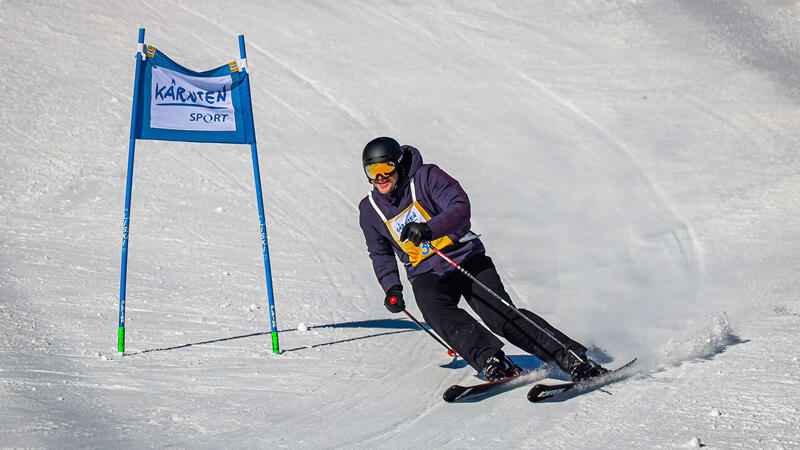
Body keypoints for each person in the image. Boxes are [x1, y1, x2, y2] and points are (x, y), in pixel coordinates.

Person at [358, 137, 607, 382]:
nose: (380, 178)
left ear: (399, 164)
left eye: (386, 168)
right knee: (436, 312)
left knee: (499, 315)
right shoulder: (370, 209)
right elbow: (379, 252)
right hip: (426, 271)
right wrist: (391, 287)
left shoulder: (426, 176)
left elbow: (459, 207)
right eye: (372, 171)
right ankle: (491, 360)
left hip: (463, 256)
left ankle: (571, 358)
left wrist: (429, 228)